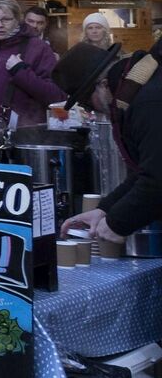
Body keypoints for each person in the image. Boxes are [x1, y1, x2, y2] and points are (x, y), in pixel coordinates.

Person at [64, 40, 161, 245]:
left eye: (87, 102)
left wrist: (117, 223)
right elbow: (145, 170)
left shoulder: (148, 103)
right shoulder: (139, 91)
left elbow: (157, 179)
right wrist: (105, 210)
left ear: (104, 84)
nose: (91, 110)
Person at [0, 0, 63, 130]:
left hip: (24, 132)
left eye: (6, 19)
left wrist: (20, 71)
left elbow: (56, 96)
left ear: (17, 20)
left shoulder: (39, 48)